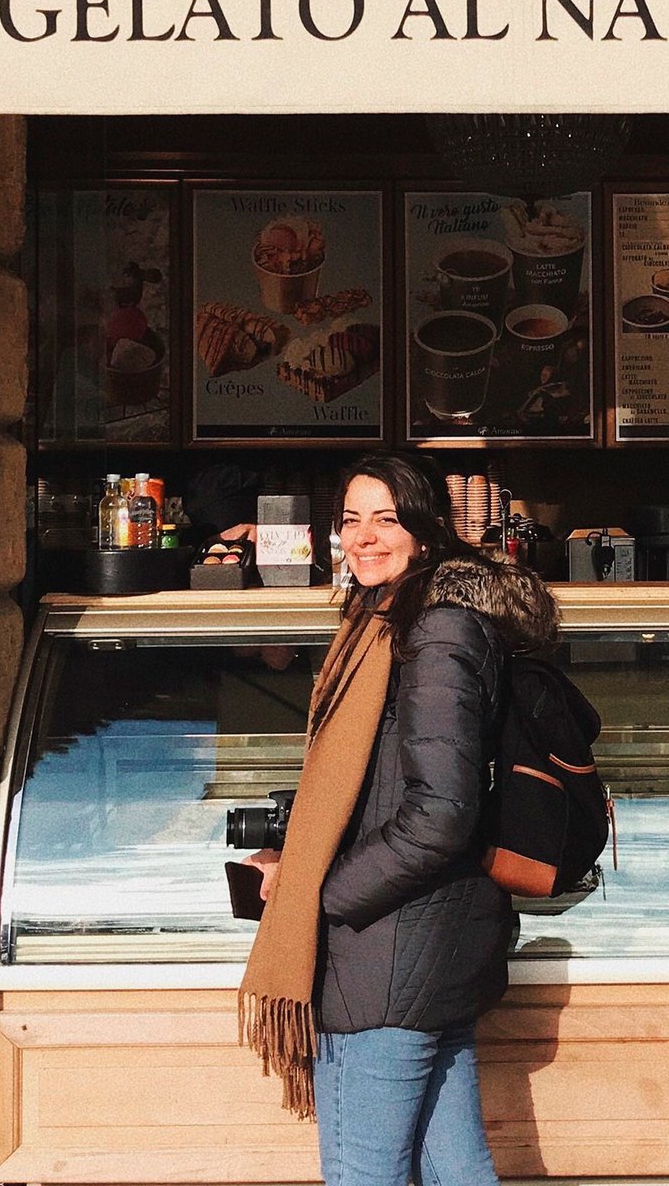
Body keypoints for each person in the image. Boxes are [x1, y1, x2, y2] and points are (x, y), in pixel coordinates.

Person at [238, 453, 558, 1186]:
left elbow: (441, 816)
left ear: (425, 529)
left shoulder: (434, 633)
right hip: (429, 948)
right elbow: (387, 784)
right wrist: (298, 853)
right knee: (456, 1170)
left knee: (362, 1174)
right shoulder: (392, 621)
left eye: (387, 517)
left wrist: (321, 892)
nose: (364, 537)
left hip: (386, 957)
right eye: (351, 519)